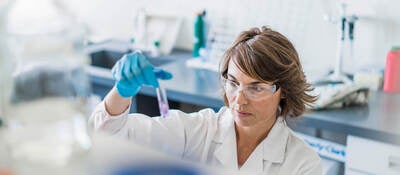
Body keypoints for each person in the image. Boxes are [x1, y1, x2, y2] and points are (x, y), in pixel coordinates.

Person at [90, 26, 322, 174]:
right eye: (233, 82)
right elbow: (106, 137)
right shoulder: (198, 130)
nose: (239, 100)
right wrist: (122, 92)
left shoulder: (302, 164)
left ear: (283, 91)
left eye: (256, 88)